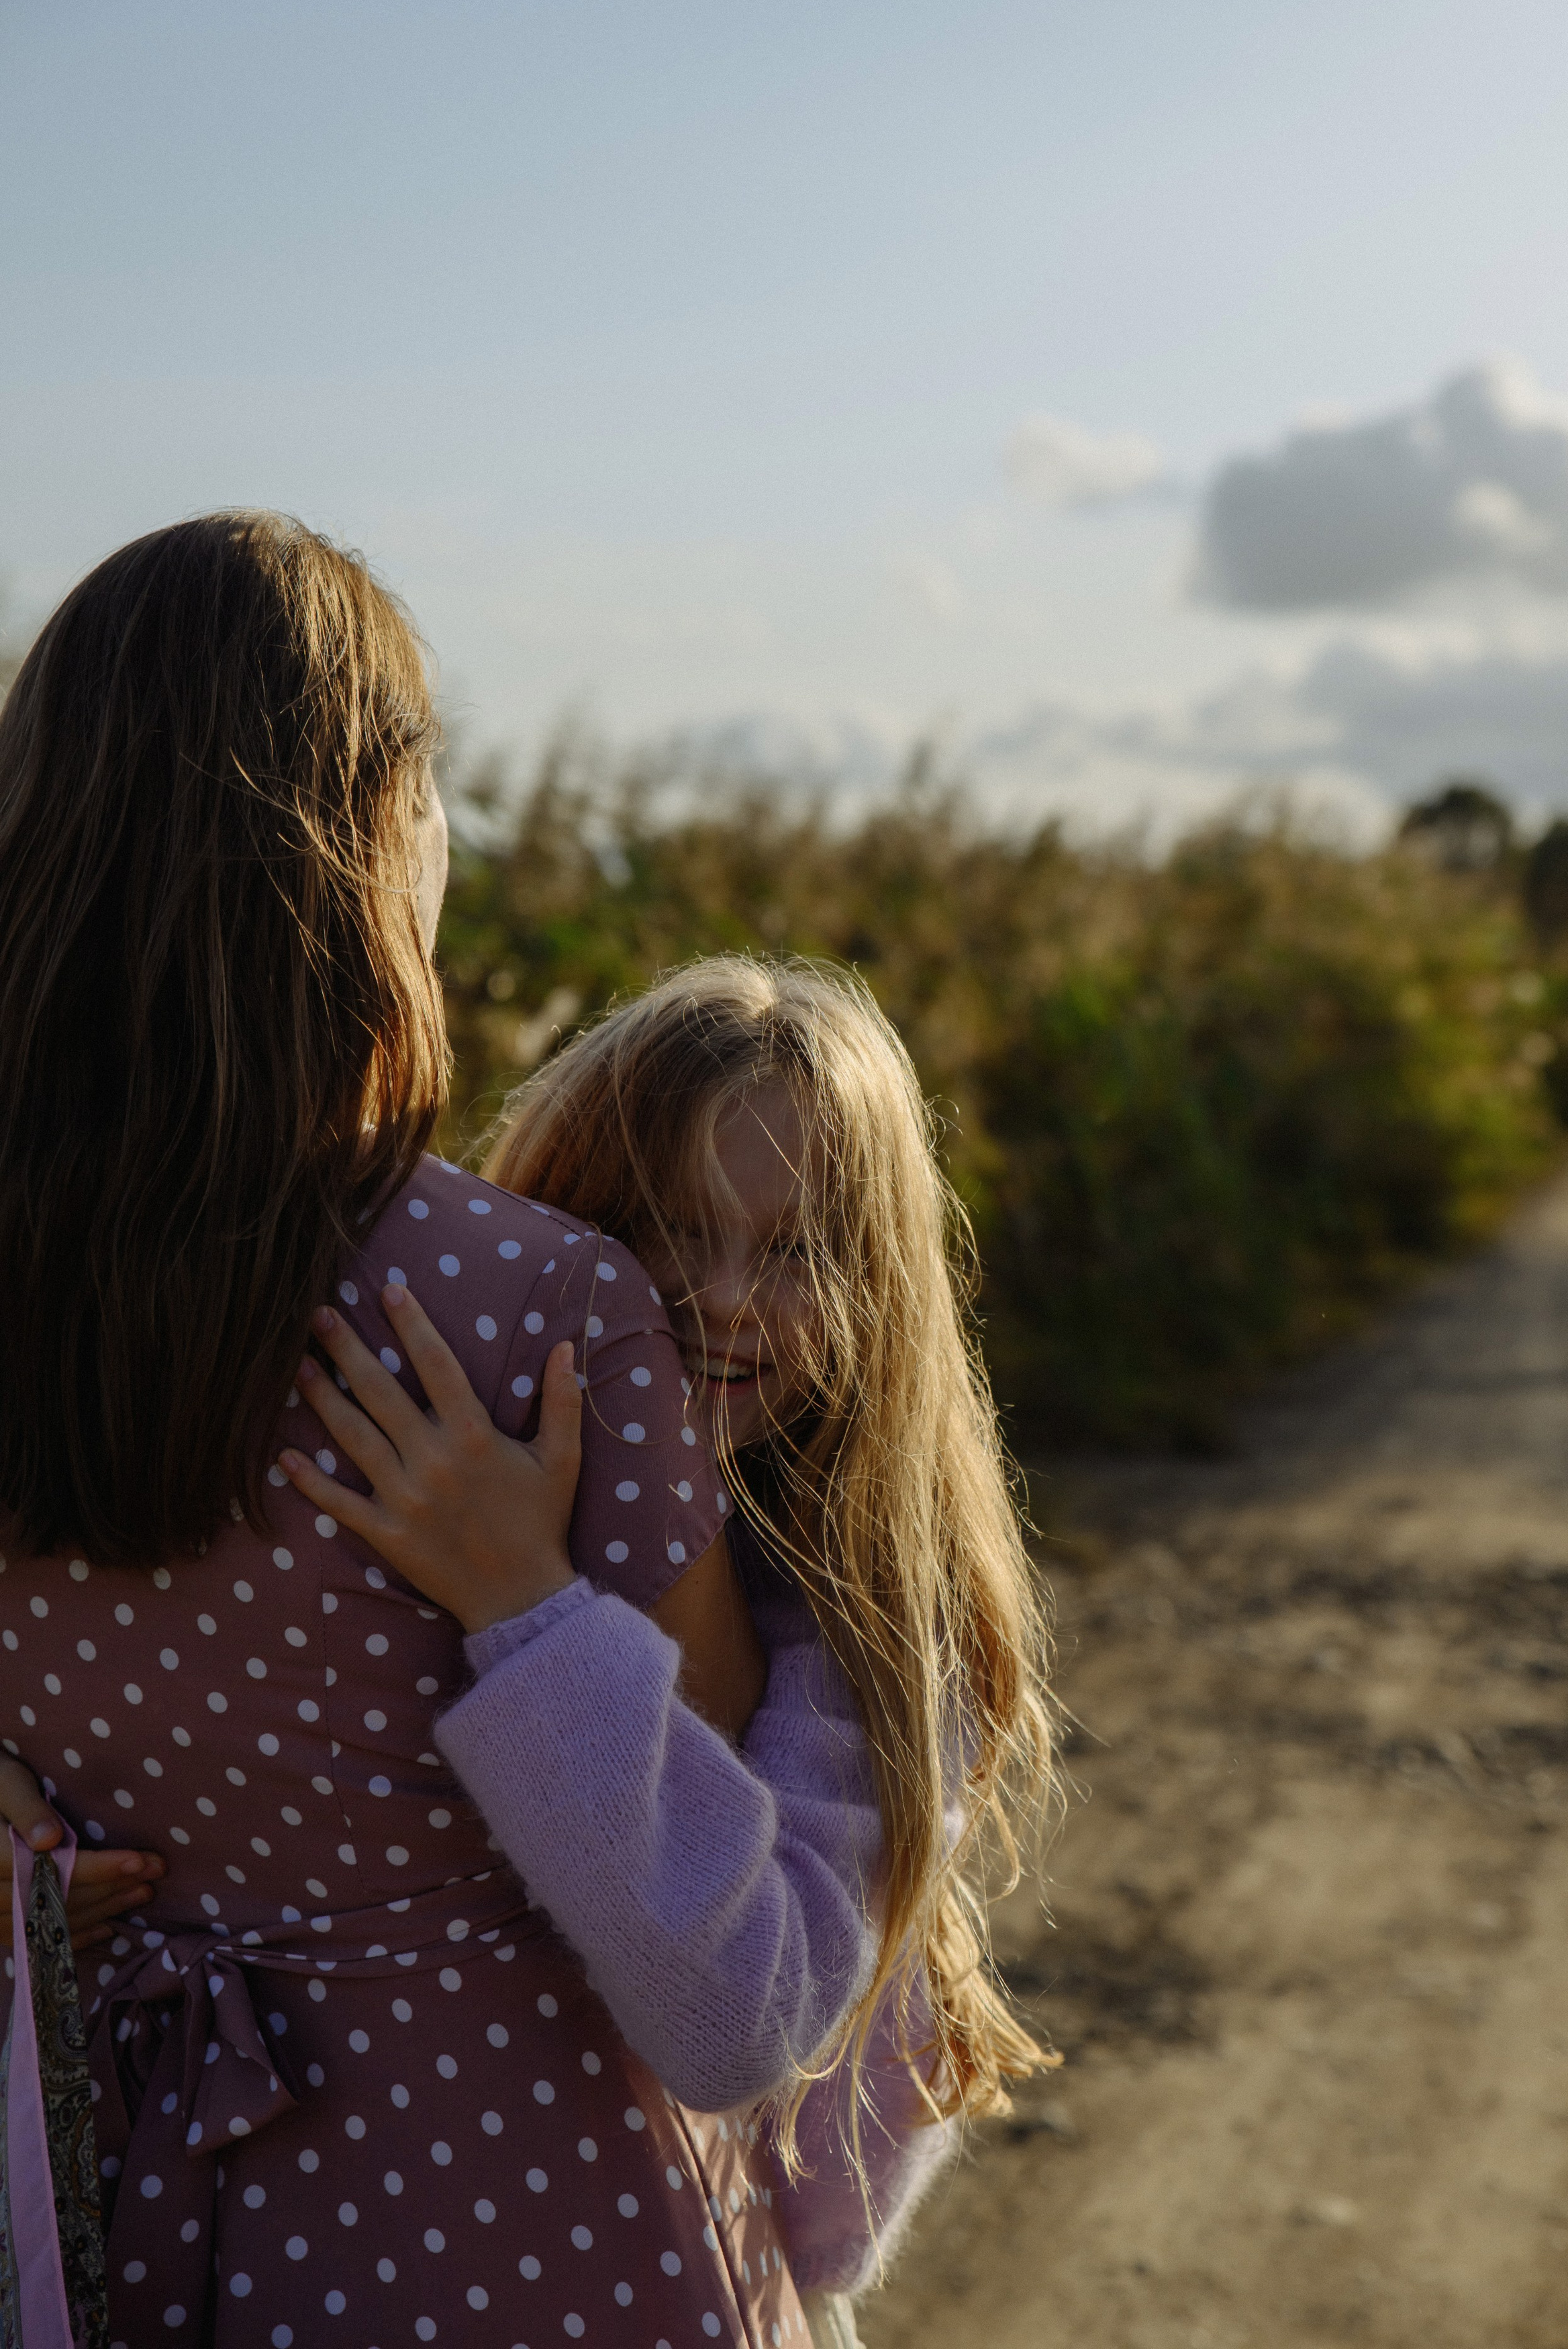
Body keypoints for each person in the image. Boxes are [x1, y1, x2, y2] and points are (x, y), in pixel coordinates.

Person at [0, 517, 881, 2348]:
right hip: (522, 2222)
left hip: (108, 2203)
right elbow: (718, 1927)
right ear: (382, 828)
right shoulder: (532, 1313)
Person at [274, 957, 1063, 2341]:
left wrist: (527, 1611)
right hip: (416, 2225)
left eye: (798, 1249)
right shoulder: (434, 1482)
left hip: (738, 2268)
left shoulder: (873, 1617)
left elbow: (729, 2021)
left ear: (880, 1293)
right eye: (657, 1231)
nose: (720, 1297)